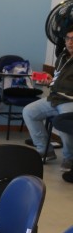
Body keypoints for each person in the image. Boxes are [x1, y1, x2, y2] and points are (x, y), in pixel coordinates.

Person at [22, 25, 73, 171]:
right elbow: (57, 78)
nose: (70, 42)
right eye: (68, 38)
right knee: (29, 111)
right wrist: (50, 79)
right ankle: (45, 150)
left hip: (69, 101)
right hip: (55, 98)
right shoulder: (62, 57)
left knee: (63, 122)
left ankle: (69, 158)